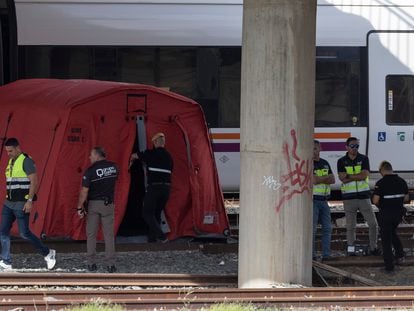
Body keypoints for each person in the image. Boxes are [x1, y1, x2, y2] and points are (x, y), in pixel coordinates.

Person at [0, 138, 56, 270]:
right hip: (9, 203)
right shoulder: (11, 162)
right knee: (3, 232)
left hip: (21, 203)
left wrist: (29, 201)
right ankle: (6, 261)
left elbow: (34, 182)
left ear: (18, 148)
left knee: (24, 233)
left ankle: (48, 253)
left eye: (11, 151)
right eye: (7, 151)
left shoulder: (26, 161)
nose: (9, 154)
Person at [77, 146, 118, 273]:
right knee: (109, 235)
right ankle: (110, 264)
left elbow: (84, 191)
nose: (89, 157)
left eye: (91, 155)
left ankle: (91, 263)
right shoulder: (114, 167)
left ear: (97, 155)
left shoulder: (90, 171)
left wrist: (79, 207)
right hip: (108, 204)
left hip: (94, 204)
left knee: (91, 235)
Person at [337, 137, 379, 255]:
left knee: (373, 224)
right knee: (350, 226)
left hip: (364, 197)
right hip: (348, 198)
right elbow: (341, 178)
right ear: (346, 147)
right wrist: (356, 175)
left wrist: (349, 176)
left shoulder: (364, 158)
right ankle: (351, 248)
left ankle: (373, 247)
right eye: (352, 146)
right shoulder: (341, 161)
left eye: (357, 146)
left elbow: (364, 175)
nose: (355, 148)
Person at [130, 132, 173, 243]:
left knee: (147, 213)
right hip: (166, 189)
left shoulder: (151, 153)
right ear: (164, 143)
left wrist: (130, 163)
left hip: (154, 188)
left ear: (154, 142)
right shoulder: (169, 157)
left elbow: (134, 155)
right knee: (157, 213)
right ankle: (152, 238)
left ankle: (162, 236)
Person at [372, 161, 408, 272]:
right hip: (398, 214)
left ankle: (389, 266)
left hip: (386, 214)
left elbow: (375, 200)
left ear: (382, 170)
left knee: (386, 239)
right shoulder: (402, 181)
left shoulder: (381, 183)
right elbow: (406, 199)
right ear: (391, 169)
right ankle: (400, 255)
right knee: (392, 233)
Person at [312, 140, 335, 261]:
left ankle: (326, 255)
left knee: (327, 228)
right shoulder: (308, 164)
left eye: (315, 148)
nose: (314, 151)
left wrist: (321, 178)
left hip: (325, 200)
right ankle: (312, 255)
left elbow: (333, 180)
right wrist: (325, 178)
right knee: (313, 229)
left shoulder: (325, 163)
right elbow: (313, 180)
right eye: (312, 149)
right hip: (313, 200)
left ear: (320, 149)